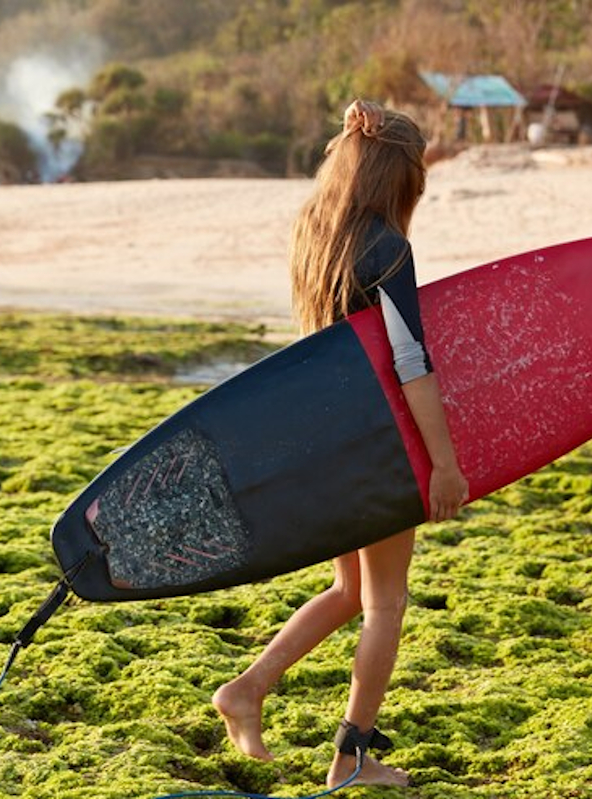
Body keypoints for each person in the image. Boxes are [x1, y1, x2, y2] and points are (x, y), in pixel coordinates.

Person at [212, 100, 468, 788]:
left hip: (324, 438)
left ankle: (248, 689)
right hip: (377, 444)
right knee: (387, 602)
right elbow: (411, 361)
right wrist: (443, 462)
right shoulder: (388, 246)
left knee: (349, 587)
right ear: (399, 176)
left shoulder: (314, 233)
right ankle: (351, 759)